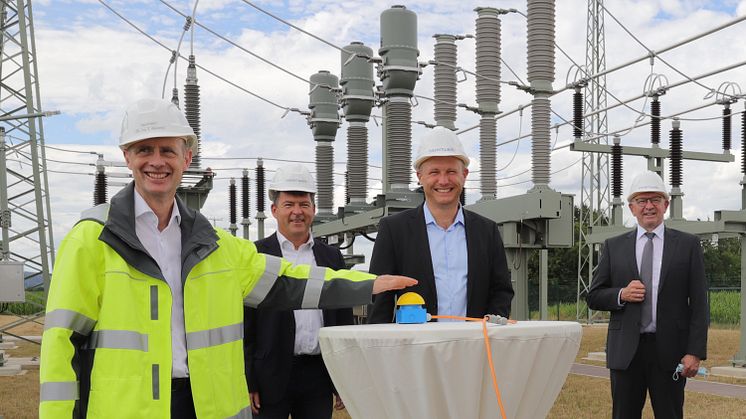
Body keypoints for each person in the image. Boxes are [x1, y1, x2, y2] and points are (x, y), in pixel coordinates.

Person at [38, 98, 416, 419]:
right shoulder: (93, 238)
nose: (157, 161)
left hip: (208, 405)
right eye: (144, 150)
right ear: (127, 157)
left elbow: (287, 281)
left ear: (186, 158)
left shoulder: (216, 244)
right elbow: (60, 341)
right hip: (129, 408)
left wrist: (368, 284)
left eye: (167, 150)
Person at [587, 170, 708, 419]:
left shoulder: (688, 245)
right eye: (642, 201)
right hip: (626, 354)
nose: (649, 206)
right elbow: (594, 295)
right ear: (632, 208)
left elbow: (699, 303)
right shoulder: (614, 246)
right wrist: (621, 294)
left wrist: (694, 352)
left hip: (670, 352)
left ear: (666, 204)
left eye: (655, 199)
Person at [367, 126, 513, 323]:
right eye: (434, 172)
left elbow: (501, 291)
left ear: (465, 175)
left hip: (474, 345)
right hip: (415, 348)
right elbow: (380, 299)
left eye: (451, 171)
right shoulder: (394, 230)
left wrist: (493, 321)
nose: (443, 181)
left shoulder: (487, 231)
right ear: (420, 176)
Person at [244, 164, 351, 418]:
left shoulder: (331, 257)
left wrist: (342, 378)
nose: (297, 212)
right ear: (274, 210)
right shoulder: (255, 255)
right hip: (270, 374)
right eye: (289, 204)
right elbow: (246, 324)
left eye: (303, 204)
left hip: (318, 375)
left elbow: (342, 319)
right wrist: (249, 379)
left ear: (313, 210)